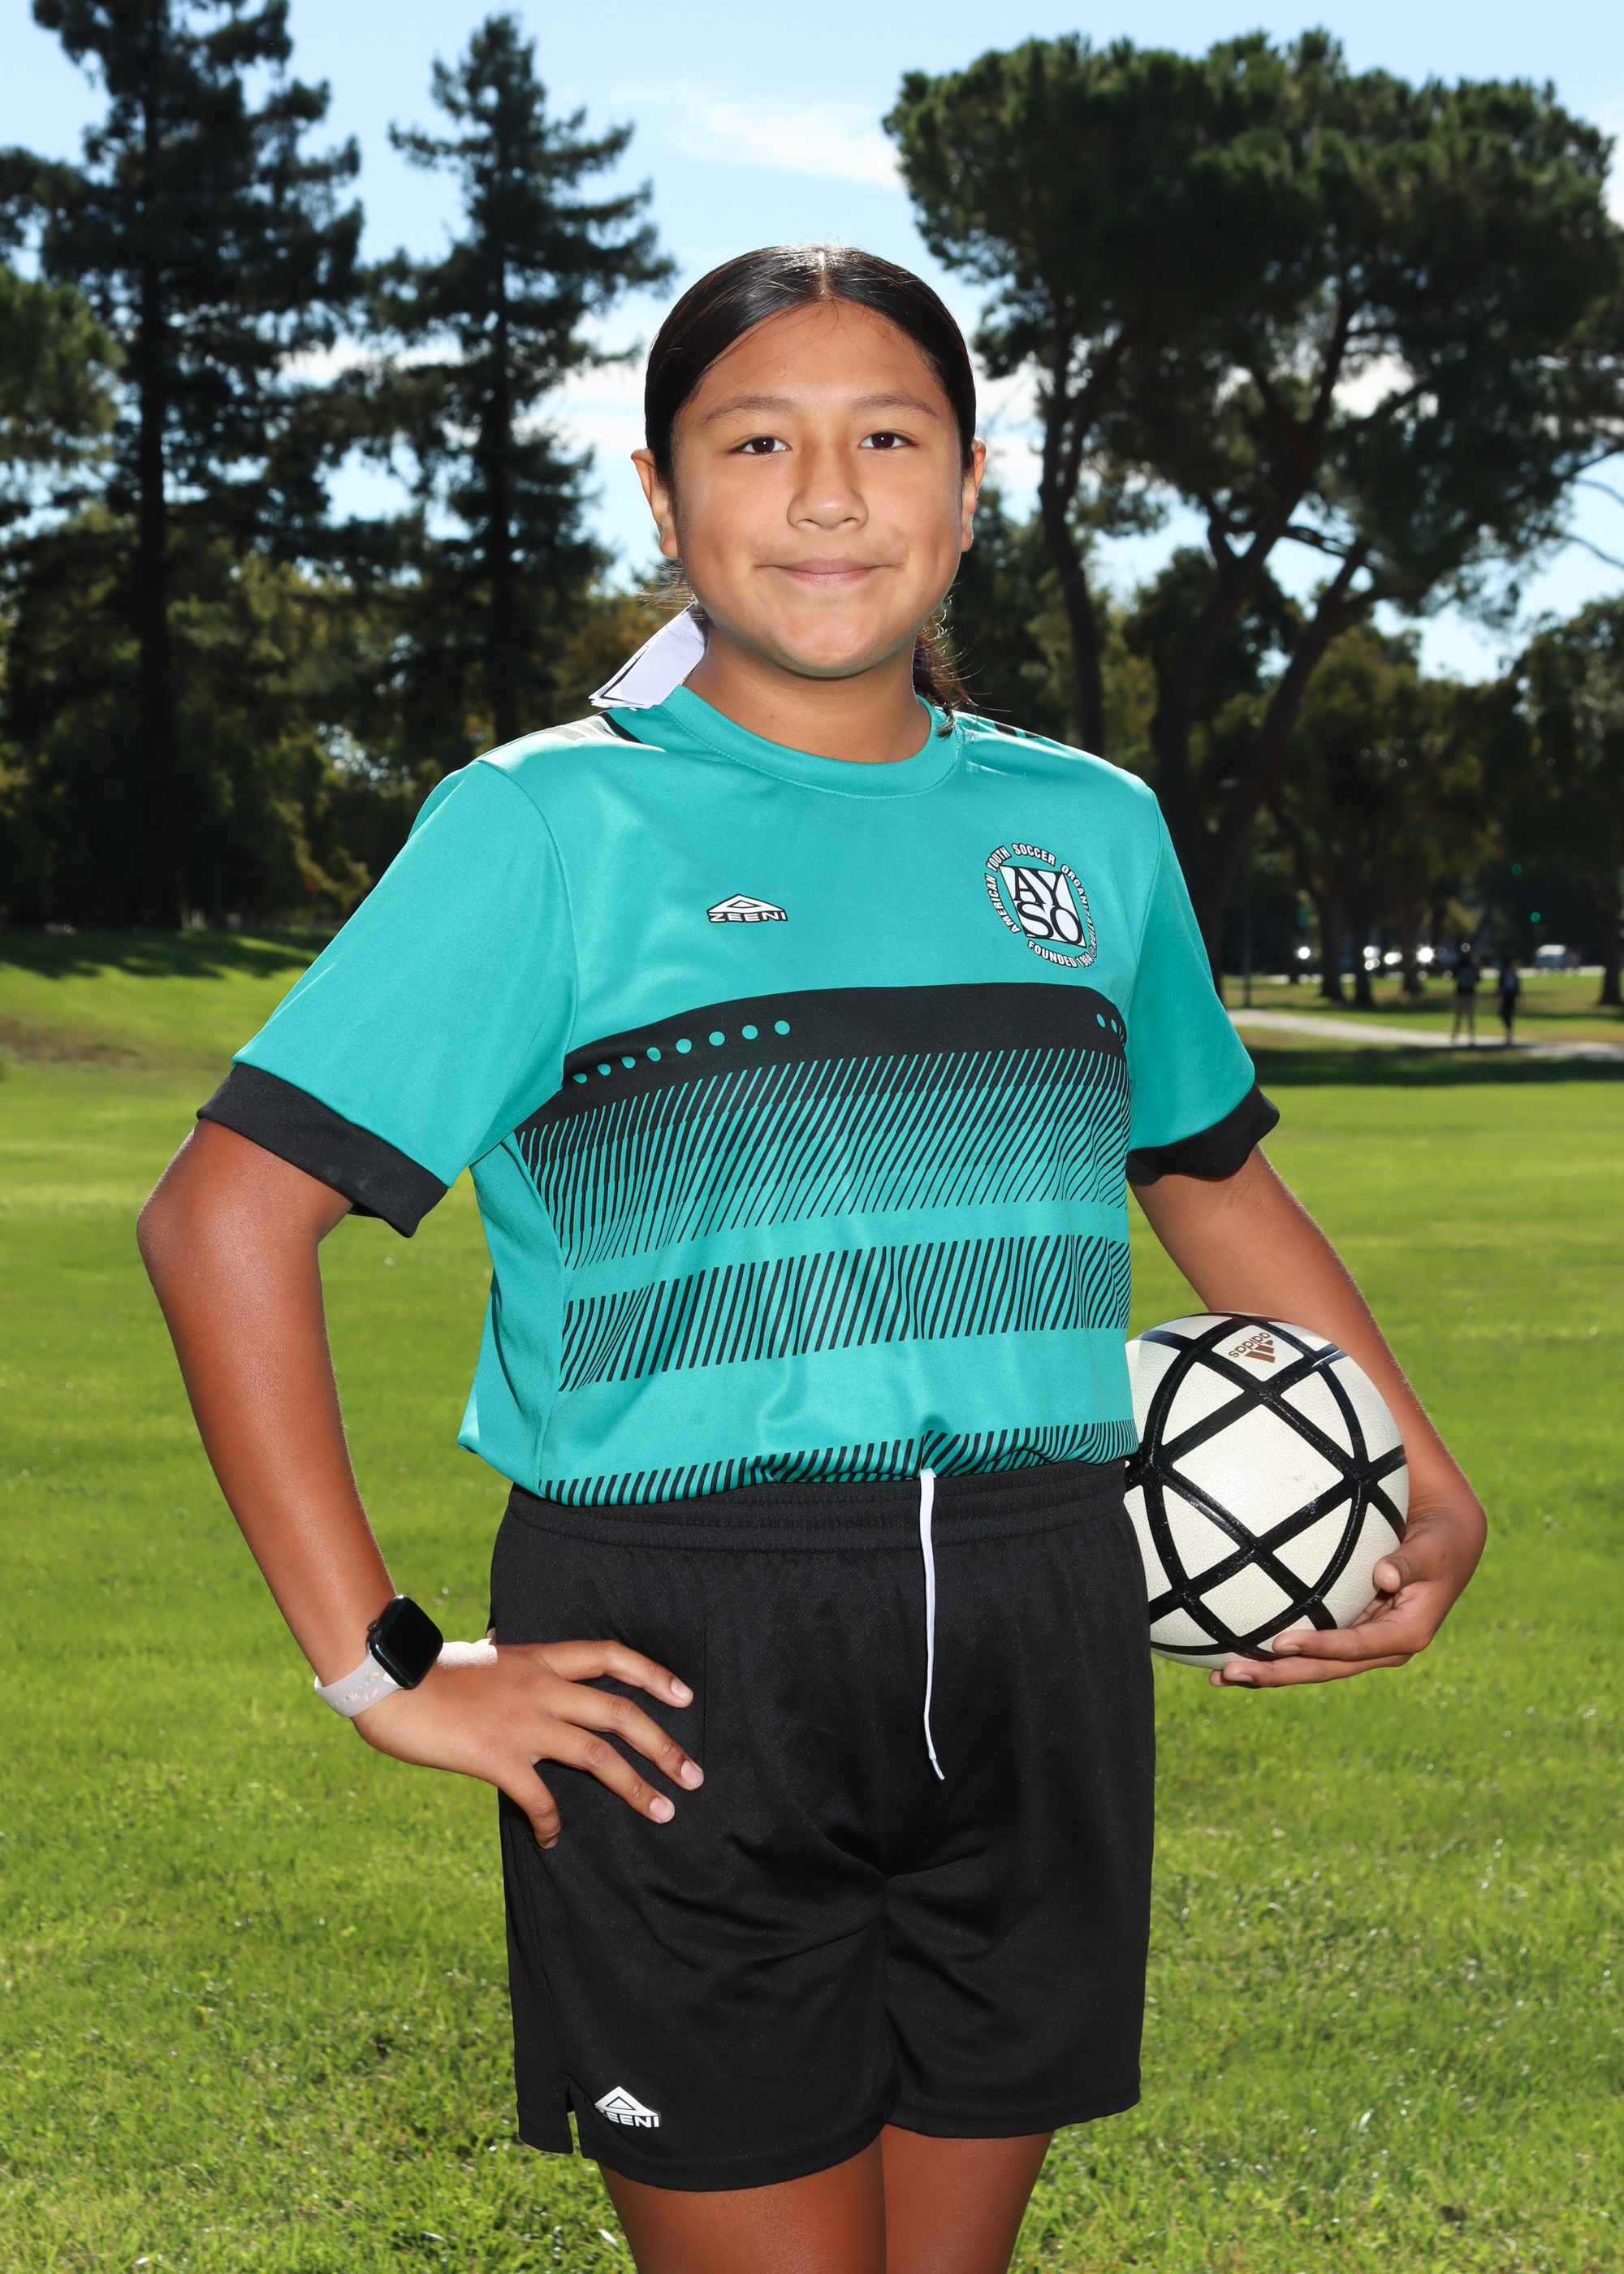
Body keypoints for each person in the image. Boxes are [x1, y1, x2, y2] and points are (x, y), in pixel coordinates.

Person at [136, 246, 1486, 2274]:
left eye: (890, 438)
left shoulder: (1089, 829)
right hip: (687, 1651)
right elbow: (224, 1215)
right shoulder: (546, 825)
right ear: (661, 495)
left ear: (971, 488)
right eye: (756, 443)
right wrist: (382, 1664)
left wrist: (1418, 1470)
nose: (830, 496)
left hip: (1045, 1617)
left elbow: (1206, 1176)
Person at [1451, 942, 1479, 1045]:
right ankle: (1467, 1037)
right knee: (1467, 1017)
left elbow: (1453, 976)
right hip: (1467, 993)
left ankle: (1458, 1037)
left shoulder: (1461, 966)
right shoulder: (1471, 966)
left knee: (1461, 1017)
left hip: (1463, 993)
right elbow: (1478, 979)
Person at [1497, 953, 1521, 1044]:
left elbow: (1501, 986)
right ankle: (1509, 1034)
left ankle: (1509, 1034)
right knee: (1507, 1015)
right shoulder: (1511, 973)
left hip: (1508, 995)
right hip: (1509, 995)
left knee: (1507, 1015)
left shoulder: (1506, 973)